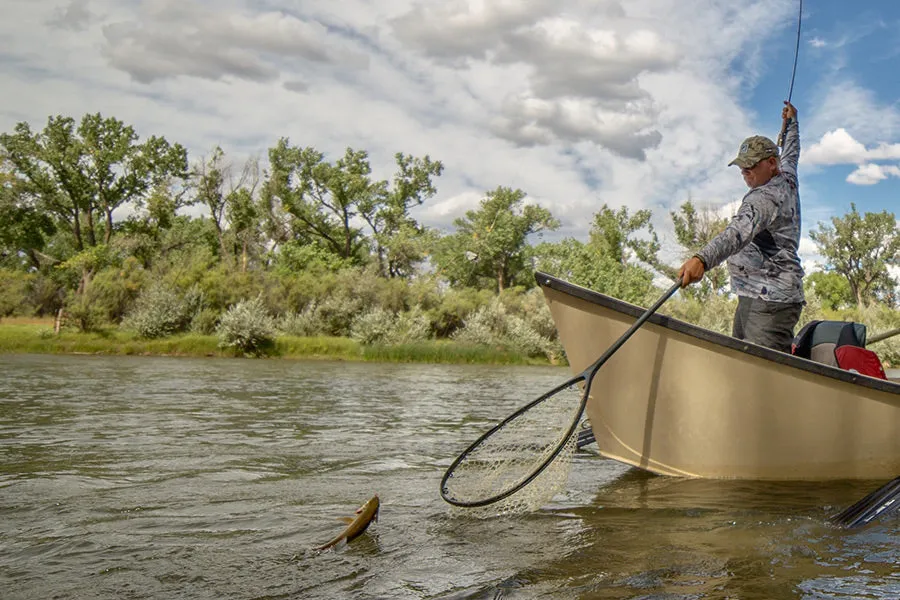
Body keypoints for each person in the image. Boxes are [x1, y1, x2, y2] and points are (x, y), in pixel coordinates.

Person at [677, 101, 804, 353]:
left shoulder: (764, 199)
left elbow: (736, 234)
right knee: (741, 364)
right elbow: (791, 153)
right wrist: (792, 124)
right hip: (756, 295)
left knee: (760, 375)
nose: (744, 172)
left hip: (770, 301)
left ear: (770, 163)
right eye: (742, 167)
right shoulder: (787, 175)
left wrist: (702, 259)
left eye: (751, 166)